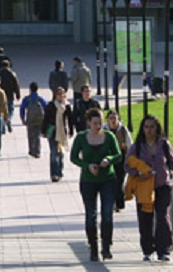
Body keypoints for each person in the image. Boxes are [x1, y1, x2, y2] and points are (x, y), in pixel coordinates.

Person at [71, 108, 122, 261]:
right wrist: (87, 166)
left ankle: (106, 247)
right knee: (90, 214)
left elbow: (118, 155)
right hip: (88, 181)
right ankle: (93, 248)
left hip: (108, 179)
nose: (98, 126)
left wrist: (109, 159)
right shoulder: (81, 137)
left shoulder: (109, 136)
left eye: (100, 123)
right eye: (95, 123)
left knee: (107, 212)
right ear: (88, 123)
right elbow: (73, 157)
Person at [126, 114, 173, 262]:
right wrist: (138, 173)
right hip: (143, 187)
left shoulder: (164, 144)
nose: (149, 130)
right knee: (145, 218)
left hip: (162, 185)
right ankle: (147, 249)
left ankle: (164, 250)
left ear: (157, 128)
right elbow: (127, 165)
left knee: (162, 217)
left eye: (152, 127)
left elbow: (171, 162)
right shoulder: (137, 146)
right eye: (146, 127)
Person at [44, 86, 74, 182]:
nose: (61, 96)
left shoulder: (67, 106)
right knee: (53, 153)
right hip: (52, 131)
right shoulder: (51, 105)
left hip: (62, 132)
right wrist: (43, 131)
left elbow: (70, 120)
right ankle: (54, 174)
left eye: (62, 94)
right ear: (55, 95)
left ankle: (59, 172)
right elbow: (46, 119)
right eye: (59, 94)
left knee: (60, 154)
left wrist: (71, 130)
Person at [106, 110, 132, 212]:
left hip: (121, 159)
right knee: (110, 182)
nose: (113, 120)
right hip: (108, 159)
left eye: (115, 118)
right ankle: (111, 202)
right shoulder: (104, 130)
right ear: (107, 119)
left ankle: (119, 203)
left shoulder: (123, 130)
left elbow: (130, 145)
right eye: (111, 118)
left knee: (119, 181)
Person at [19, 82, 48, 158]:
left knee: (30, 135)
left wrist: (23, 118)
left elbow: (22, 109)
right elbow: (46, 107)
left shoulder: (26, 99)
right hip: (39, 120)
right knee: (37, 135)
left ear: (30, 89)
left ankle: (31, 150)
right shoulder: (40, 99)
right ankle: (37, 152)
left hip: (30, 120)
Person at [0, 60, 21, 133]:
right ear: (9, 65)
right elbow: (16, 85)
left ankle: (3, 126)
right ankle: (9, 120)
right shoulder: (12, 74)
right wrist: (17, 94)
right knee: (10, 110)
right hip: (10, 95)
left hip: (0, 96)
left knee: (1, 111)